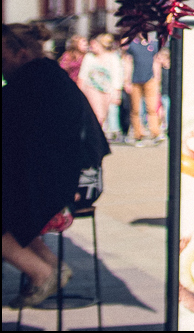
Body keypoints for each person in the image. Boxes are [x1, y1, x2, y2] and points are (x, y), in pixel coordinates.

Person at [2, 23, 97, 307]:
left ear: (21, 54)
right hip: (61, 178)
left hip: (58, 184)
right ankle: (52, 267)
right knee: (11, 213)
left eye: (2, 61)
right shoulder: (45, 75)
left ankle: (42, 274)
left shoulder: (35, 80)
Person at [78, 32, 123, 141]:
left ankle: (101, 134)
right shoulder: (89, 57)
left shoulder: (113, 58)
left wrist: (117, 93)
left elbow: (117, 76)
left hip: (107, 90)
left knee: (104, 114)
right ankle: (96, 136)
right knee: (96, 114)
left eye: (94, 45)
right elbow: (82, 75)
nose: (92, 47)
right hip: (92, 89)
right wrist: (79, 91)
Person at [123, 33, 163, 144]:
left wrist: (157, 78)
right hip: (135, 80)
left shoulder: (153, 44)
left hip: (150, 79)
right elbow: (128, 62)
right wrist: (127, 80)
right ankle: (138, 134)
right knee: (135, 109)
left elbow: (156, 61)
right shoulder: (132, 45)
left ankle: (155, 132)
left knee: (152, 108)